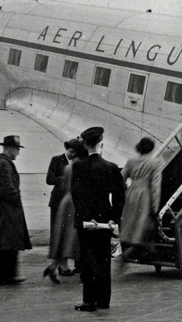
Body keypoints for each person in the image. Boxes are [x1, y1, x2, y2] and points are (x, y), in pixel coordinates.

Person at [71, 127, 125, 312]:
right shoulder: (111, 167)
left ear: (85, 145)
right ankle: (104, 300)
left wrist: (86, 218)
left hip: (87, 222)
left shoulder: (79, 166)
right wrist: (113, 219)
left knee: (88, 259)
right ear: (101, 143)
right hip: (105, 220)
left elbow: (77, 196)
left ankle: (89, 300)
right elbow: (119, 197)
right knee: (104, 259)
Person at [0, 135, 32, 285]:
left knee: (6, 241)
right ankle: (7, 276)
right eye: (17, 150)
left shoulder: (1, 162)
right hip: (6, 207)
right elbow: (7, 188)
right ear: (11, 149)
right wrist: (16, 197)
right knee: (7, 241)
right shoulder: (4, 164)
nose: (18, 153)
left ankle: (6, 275)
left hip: (4, 206)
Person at [120, 137, 162, 262]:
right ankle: (133, 252)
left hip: (131, 193)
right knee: (143, 224)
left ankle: (131, 250)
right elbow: (155, 185)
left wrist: (125, 188)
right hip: (145, 194)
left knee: (131, 221)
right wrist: (156, 205)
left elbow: (121, 177)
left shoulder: (131, 161)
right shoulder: (155, 162)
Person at [44, 140, 80, 281]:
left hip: (66, 202)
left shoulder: (73, 164)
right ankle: (61, 265)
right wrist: (65, 179)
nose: (71, 155)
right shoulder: (57, 160)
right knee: (60, 235)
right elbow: (49, 179)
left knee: (65, 235)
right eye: (70, 152)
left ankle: (60, 265)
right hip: (58, 201)